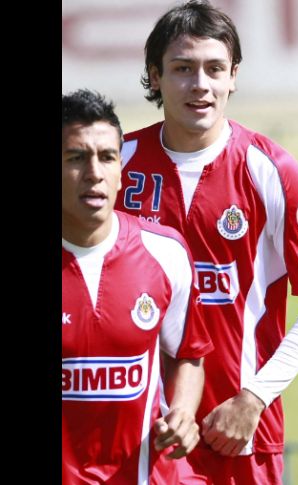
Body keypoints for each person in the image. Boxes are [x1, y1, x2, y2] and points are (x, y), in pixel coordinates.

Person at [114, 1, 298, 482]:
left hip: (236, 432)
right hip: (133, 435)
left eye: (213, 69)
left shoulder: (270, 169)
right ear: (154, 77)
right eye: (182, 69)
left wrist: (255, 397)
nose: (199, 84)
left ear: (233, 77)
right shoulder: (114, 163)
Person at [62, 89, 214, 483]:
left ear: (120, 169)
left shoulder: (165, 253)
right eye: (76, 158)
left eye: (107, 157)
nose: (94, 173)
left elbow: (188, 355)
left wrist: (181, 413)